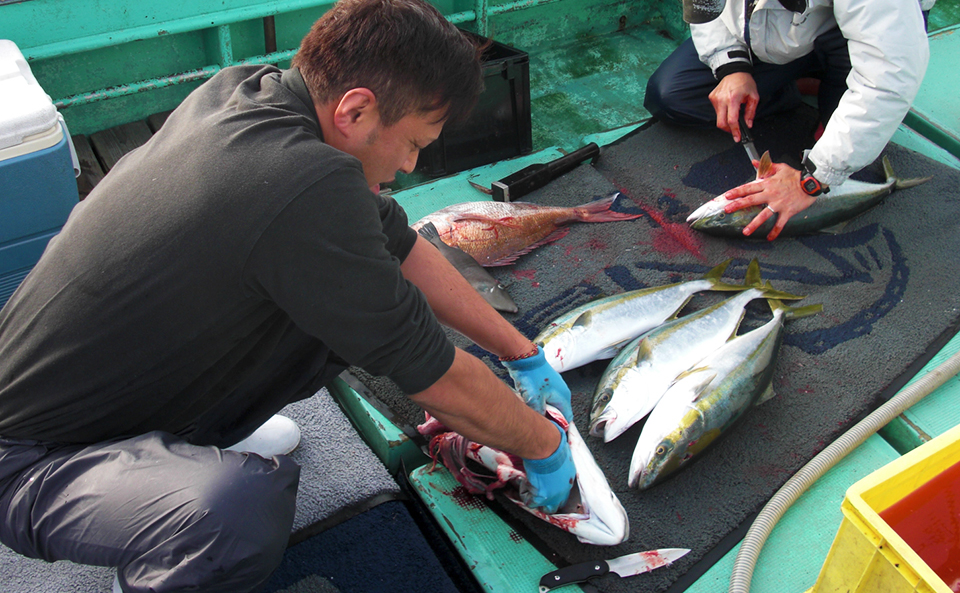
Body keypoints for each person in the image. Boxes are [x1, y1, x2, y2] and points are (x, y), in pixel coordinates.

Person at [0, 1, 575, 591]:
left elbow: (395, 240)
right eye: (414, 144)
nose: (409, 166)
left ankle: (188, 442)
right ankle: (165, 547)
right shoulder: (302, 186)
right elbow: (435, 376)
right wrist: (544, 444)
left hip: (94, 387)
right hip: (31, 459)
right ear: (355, 109)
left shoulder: (245, 93)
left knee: (341, 296)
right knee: (234, 515)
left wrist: (519, 352)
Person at [645, 0, 932, 240]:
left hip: (859, 40)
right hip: (771, 32)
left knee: (848, 143)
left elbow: (889, 77)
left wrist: (814, 179)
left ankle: (837, 86)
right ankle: (804, 85)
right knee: (672, 97)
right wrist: (730, 65)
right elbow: (708, 11)